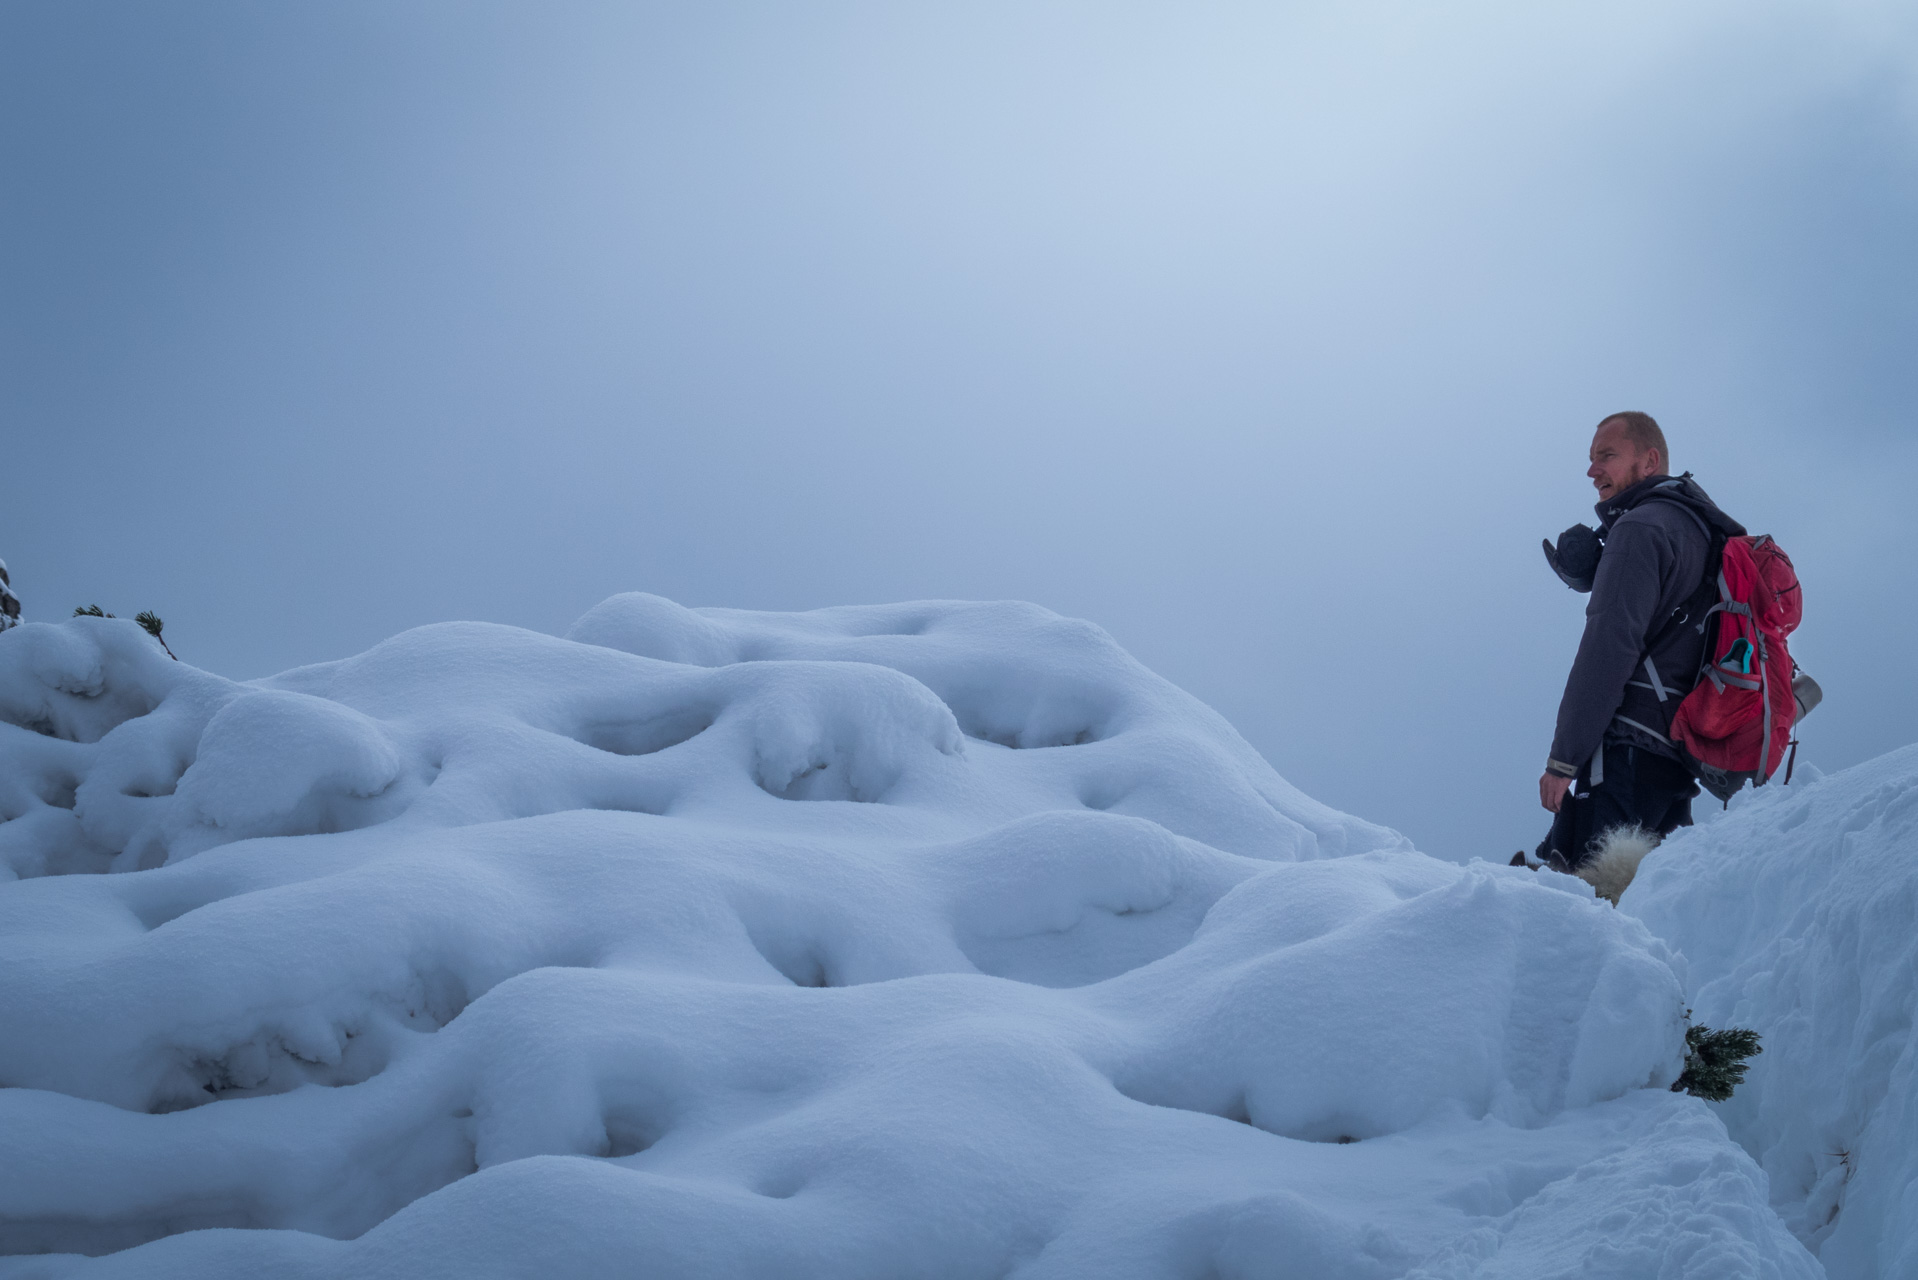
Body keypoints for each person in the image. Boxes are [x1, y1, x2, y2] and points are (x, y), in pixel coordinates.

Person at [1531, 412, 1744, 872]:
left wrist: (1563, 760)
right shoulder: (1704, 532)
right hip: (1674, 763)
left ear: (1649, 461)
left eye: (1606, 456)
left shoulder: (1639, 529)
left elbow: (1607, 649)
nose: (1592, 472)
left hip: (1626, 753)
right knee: (1642, 907)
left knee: (1588, 907)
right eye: (1591, 459)